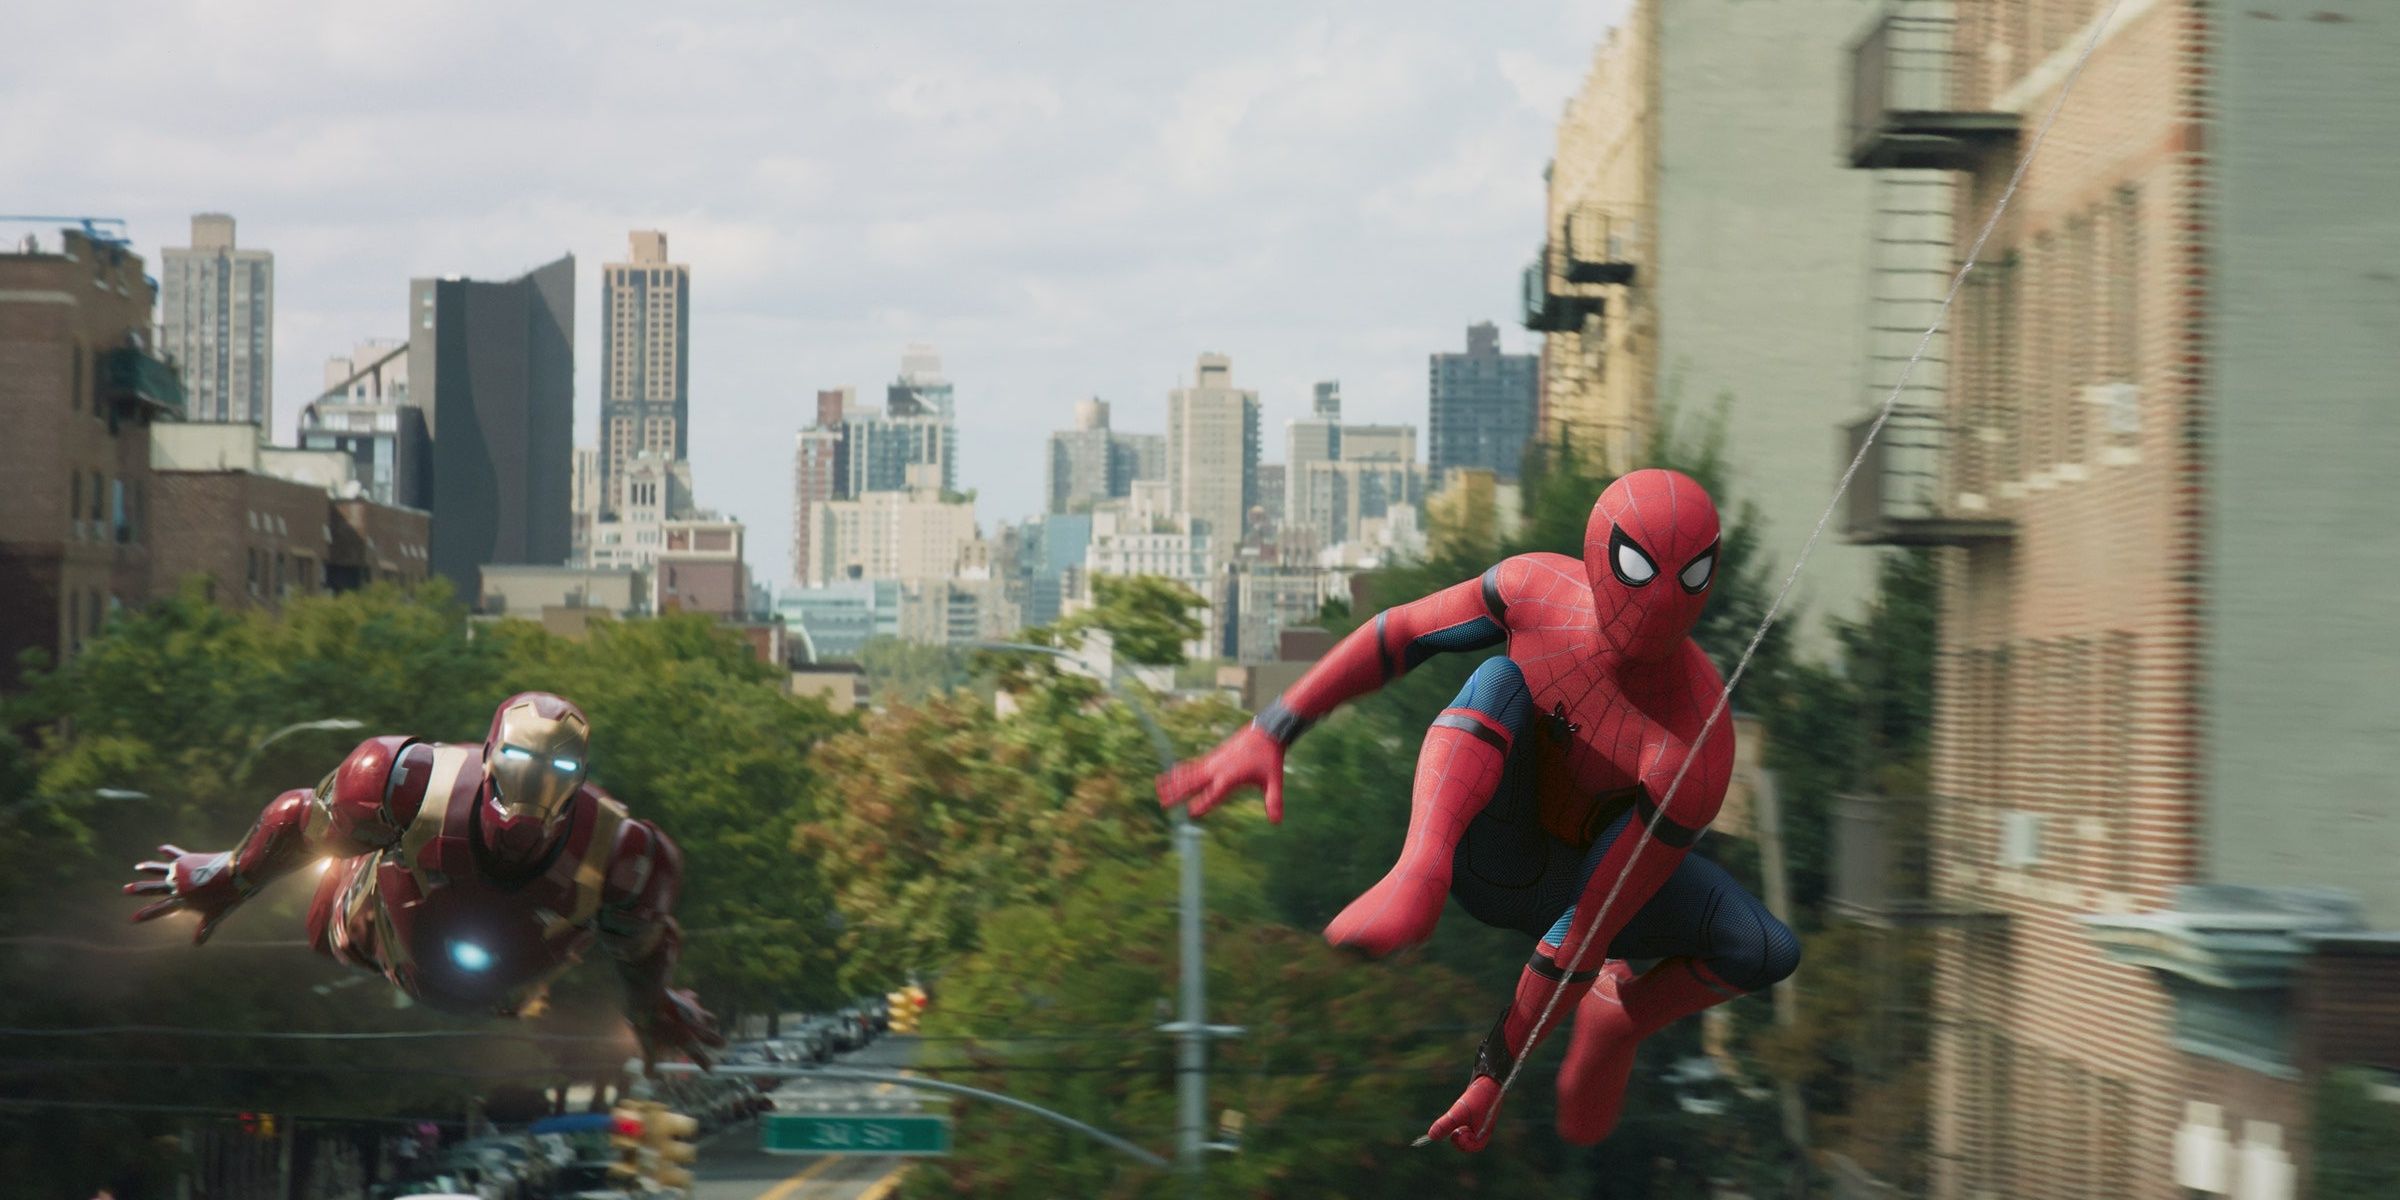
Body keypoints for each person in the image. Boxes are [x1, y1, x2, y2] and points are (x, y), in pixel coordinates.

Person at [1158, 469, 1799, 1149]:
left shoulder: (1692, 747)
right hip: (1490, 849)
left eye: (1690, 577)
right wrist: (1274, 727)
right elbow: (1398, 634)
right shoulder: (1535, 592)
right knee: (1499, 678)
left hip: (1578, 898)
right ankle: (1418, 871)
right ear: (1598, 553)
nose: (1661, 604)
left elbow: (1586, 926)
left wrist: (1494, 1068)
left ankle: (1622, 1017)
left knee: (1763, 948)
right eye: (1639, 569)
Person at [124, 692, 723, 1067]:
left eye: (558, 767)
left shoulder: (622, 854)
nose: (534, 783)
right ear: (491, 755)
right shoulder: (405, 782)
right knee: (338, 878)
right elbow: (300, 819)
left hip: (506, 982)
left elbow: (643, 950)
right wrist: (232, 874)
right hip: (372, 930)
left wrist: (653, 1009)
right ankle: (358, 898)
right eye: (518, 761)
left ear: (579, 775)